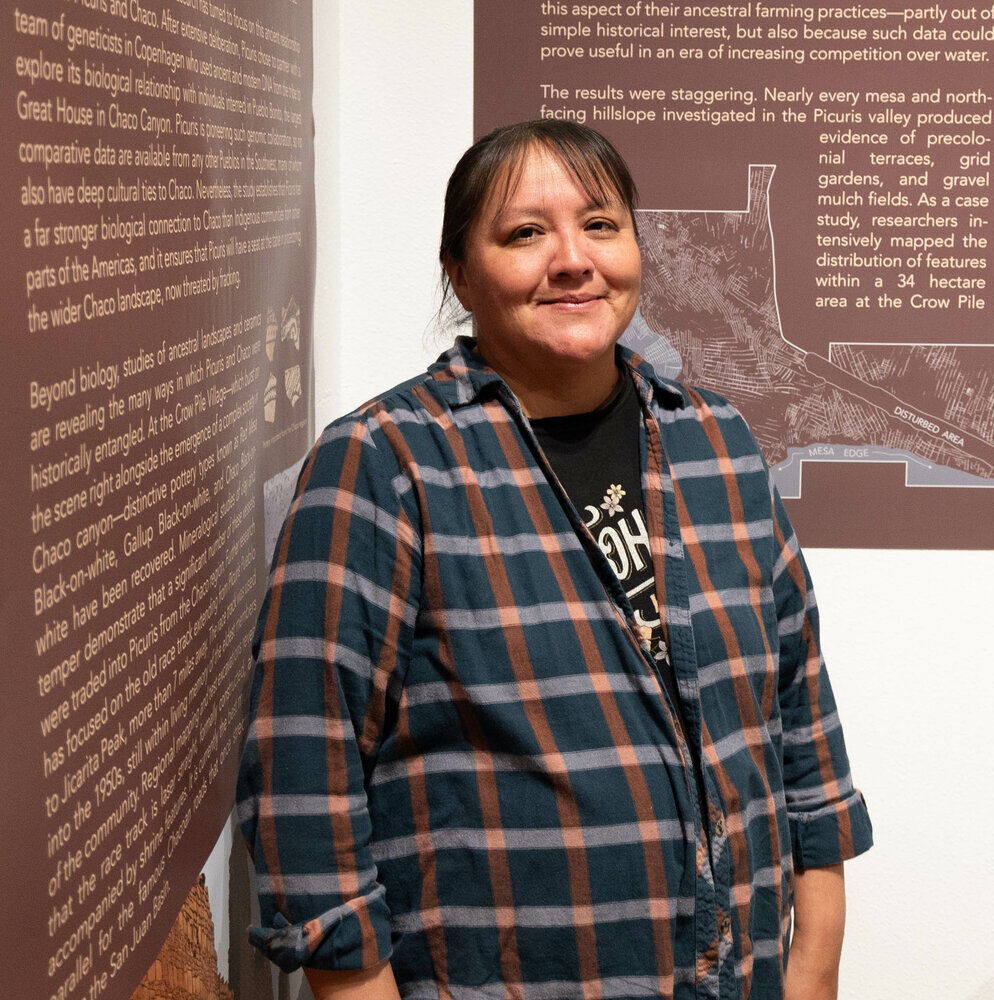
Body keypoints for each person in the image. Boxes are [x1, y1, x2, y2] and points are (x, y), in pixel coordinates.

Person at [237, 119, 872, 1000]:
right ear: (460, 273)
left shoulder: (713, 442)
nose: (573, 259)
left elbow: (797, 696)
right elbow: (305, 761)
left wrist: (820, 942)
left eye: (601, 225)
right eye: (525, 232)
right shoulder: (386, 463)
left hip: (739, 974)